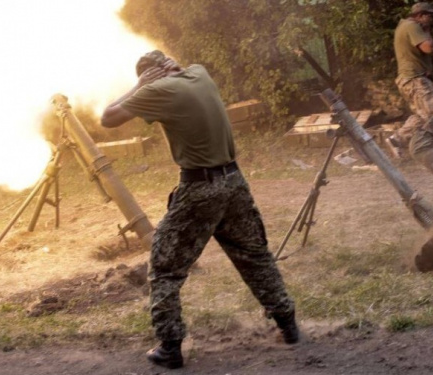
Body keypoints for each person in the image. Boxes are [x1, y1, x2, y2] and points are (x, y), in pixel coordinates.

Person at [101, 50, 298, 369]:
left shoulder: (155, 90)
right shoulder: (200, 74)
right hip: (234, 182)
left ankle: (170, 347)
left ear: (149, 74)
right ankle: (288, 325)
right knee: (254, 256)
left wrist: (138, 86)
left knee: (164, 267)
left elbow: (108, 118)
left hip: (199, 189)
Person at [387, 2, 433, 158]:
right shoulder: (413, 26)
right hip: (415, 80)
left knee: (421, 117)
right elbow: (428, 48)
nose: (431, 19)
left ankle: (396, 140)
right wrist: (426, 30)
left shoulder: (404, 26)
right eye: (429, 15)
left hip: (410, 79)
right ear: (420, 16)